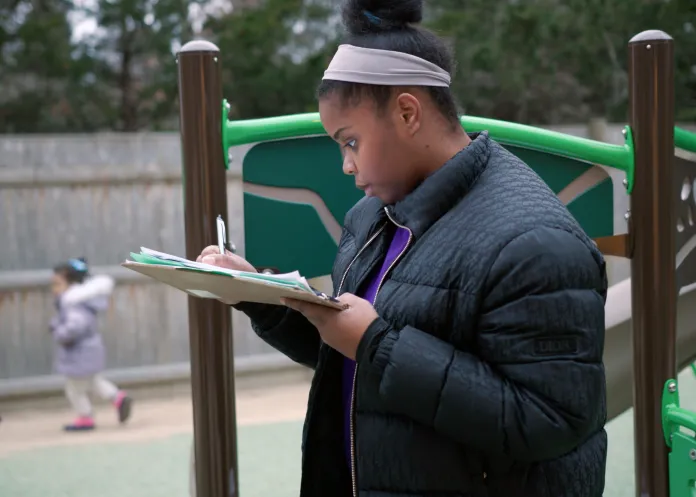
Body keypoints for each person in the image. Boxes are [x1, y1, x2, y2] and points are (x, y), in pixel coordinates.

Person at [197, 0, 607, 495]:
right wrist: (256, 295)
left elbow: (550, 422)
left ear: (408, 112)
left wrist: (377, 344)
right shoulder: (371, 216)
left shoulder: (536, 244)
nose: (346, 166)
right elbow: (350, 353)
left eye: (350, 142)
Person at [50, 258, 133, 431]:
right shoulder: (81, 303)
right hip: (89, 351)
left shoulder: (73, 304)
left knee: (74, 389)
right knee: (93, 381)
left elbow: (75, 326)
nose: (54, 290)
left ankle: (85, 416)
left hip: (79, 353)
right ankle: (118, 397)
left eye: (57, 284)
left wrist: (59, 331)